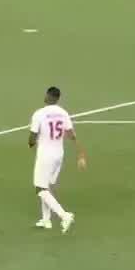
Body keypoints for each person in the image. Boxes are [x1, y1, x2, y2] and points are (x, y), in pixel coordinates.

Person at [28, 87, 86, 233]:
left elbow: (32, 137)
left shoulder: (39, 114)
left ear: (48, 96)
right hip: (58, 154)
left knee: (40, 188)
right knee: (46, 185)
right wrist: (81, 154)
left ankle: (64, 215)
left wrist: (31, 144)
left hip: (45, 155)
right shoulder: (63, 113)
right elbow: (71, 135)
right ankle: (46, 220)